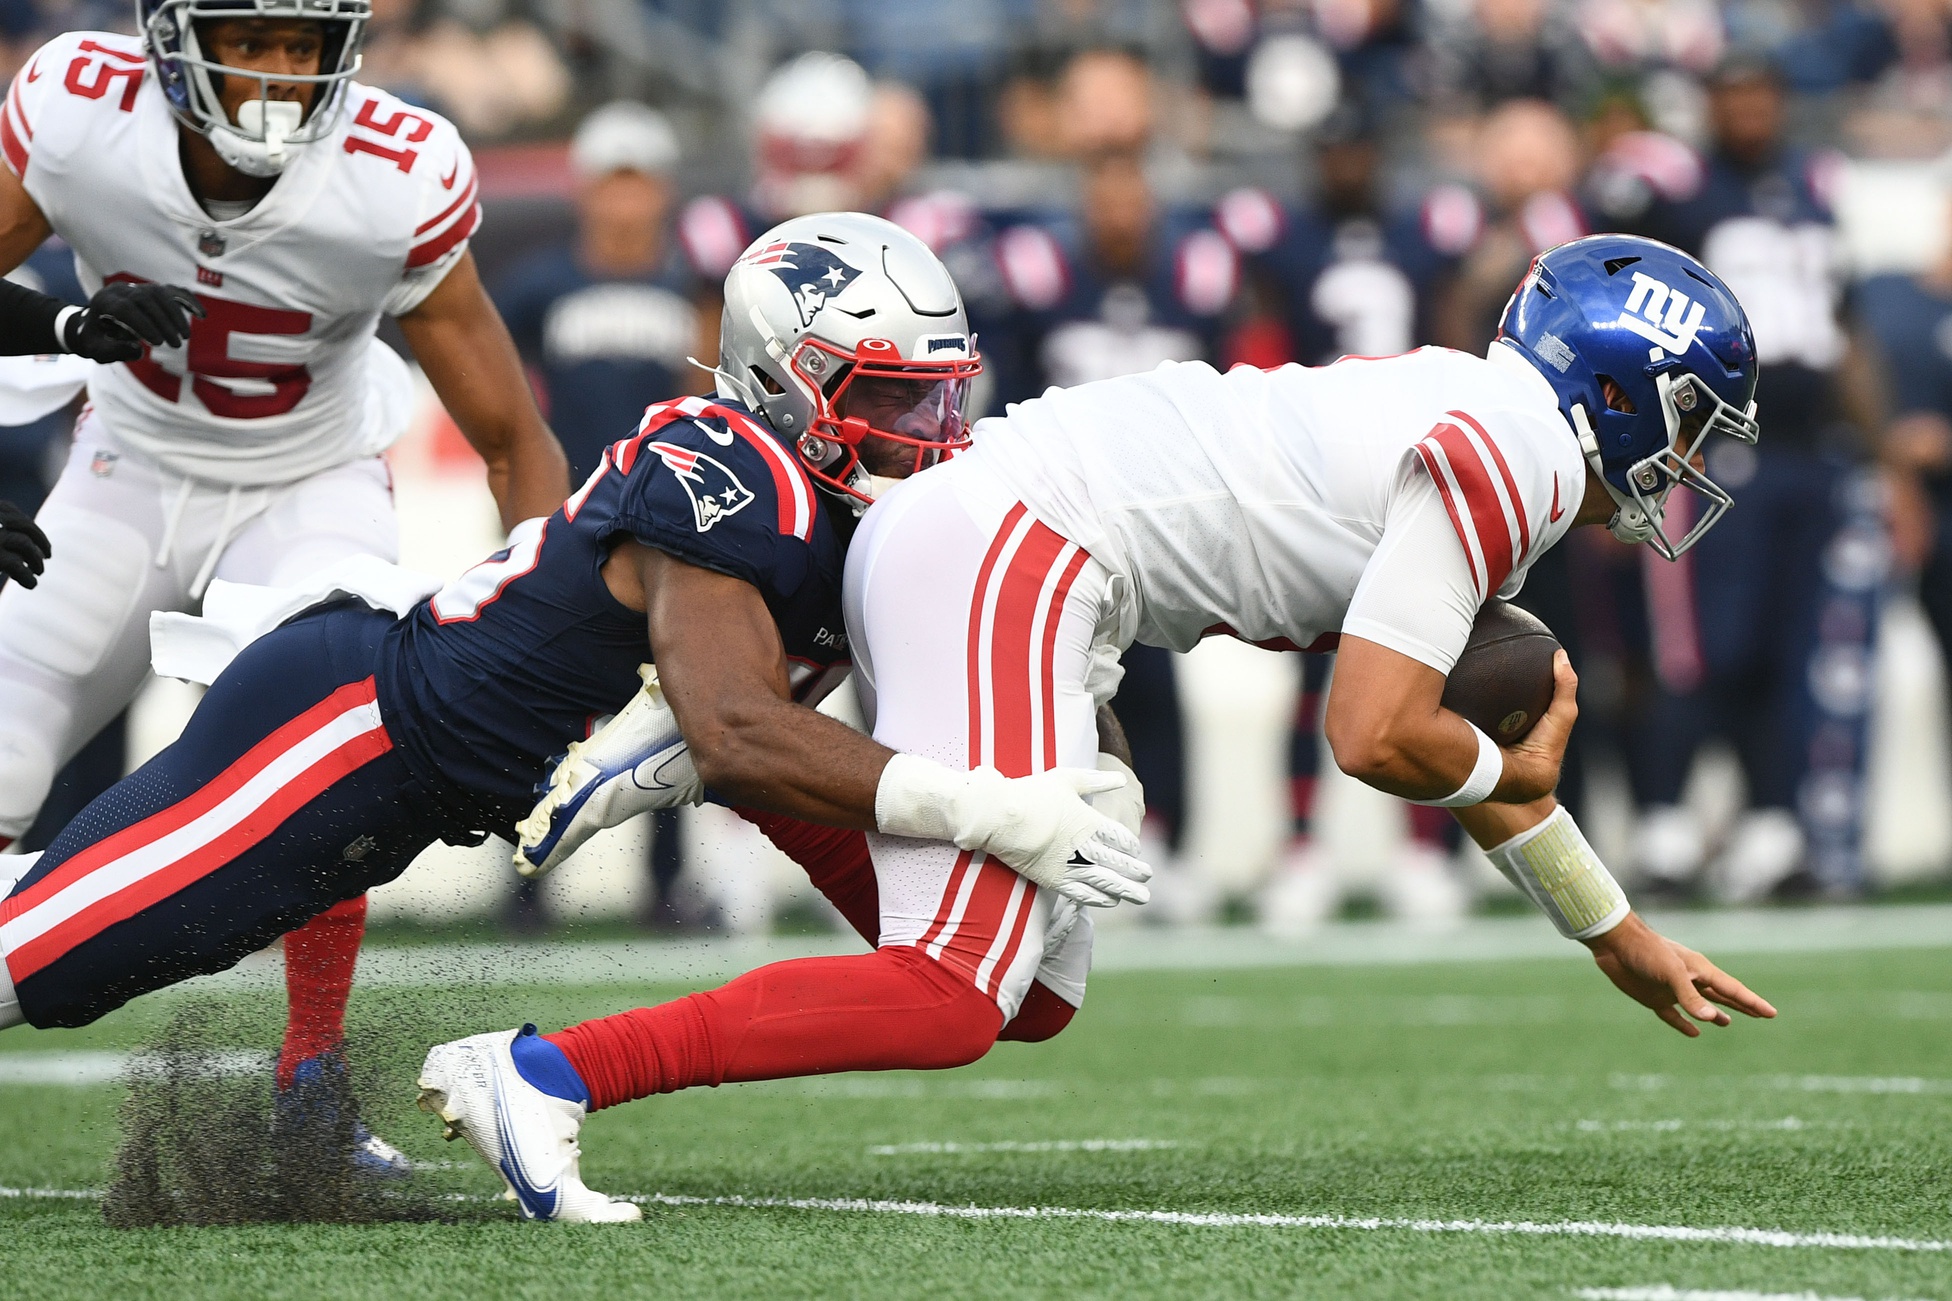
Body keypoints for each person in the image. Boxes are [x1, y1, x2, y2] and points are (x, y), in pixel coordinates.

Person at [423, 233, 1780, 1222]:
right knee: (949, 996)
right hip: (1021, 550)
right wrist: (1496, 761)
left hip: (1028, 559)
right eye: (1693, 422)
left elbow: (1433, 740)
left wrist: (1612, 929)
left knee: (1036, 1002)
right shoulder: (1522, 455)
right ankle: (545, 1070)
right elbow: (1376, 735)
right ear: (1623, 389)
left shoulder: (1496, 428)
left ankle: (752, 770)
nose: (1693, 461)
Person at [0, 214, 1147, 1223]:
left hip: (459, 779)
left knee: (1006, 991)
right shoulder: (733, 464)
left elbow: (776, 755)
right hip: (348, 727)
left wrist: (1071, 742)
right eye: (889, 396)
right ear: (783, 383)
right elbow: (738, 733)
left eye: (941, 394)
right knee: (48, 963)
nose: (928, 429)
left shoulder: (880, 527)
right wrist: (987, 808)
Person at [0, 1, 571, 1171]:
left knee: (331, 759)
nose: (273, 73)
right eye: (246, 39)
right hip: (123, 467)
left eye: (299, 45)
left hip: (309, 481)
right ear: (169, 39)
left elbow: (514, 438)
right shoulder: (77, 112)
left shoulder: (394, 175)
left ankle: (313, 1081)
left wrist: (550, 637)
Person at [1629, 54, 1874, 899]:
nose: (1750, 110)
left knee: (1783, 648)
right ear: (1711, 105)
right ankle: (1664, 827)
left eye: (1761, 93)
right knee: (1705, 649)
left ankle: (1772, 826)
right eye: (1734, 95)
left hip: (1811, 450)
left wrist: (1876, 453)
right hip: (1717, 451)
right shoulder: (1685, 200)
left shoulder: (1810, 188)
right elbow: (1640, 332)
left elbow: (1847, 326)